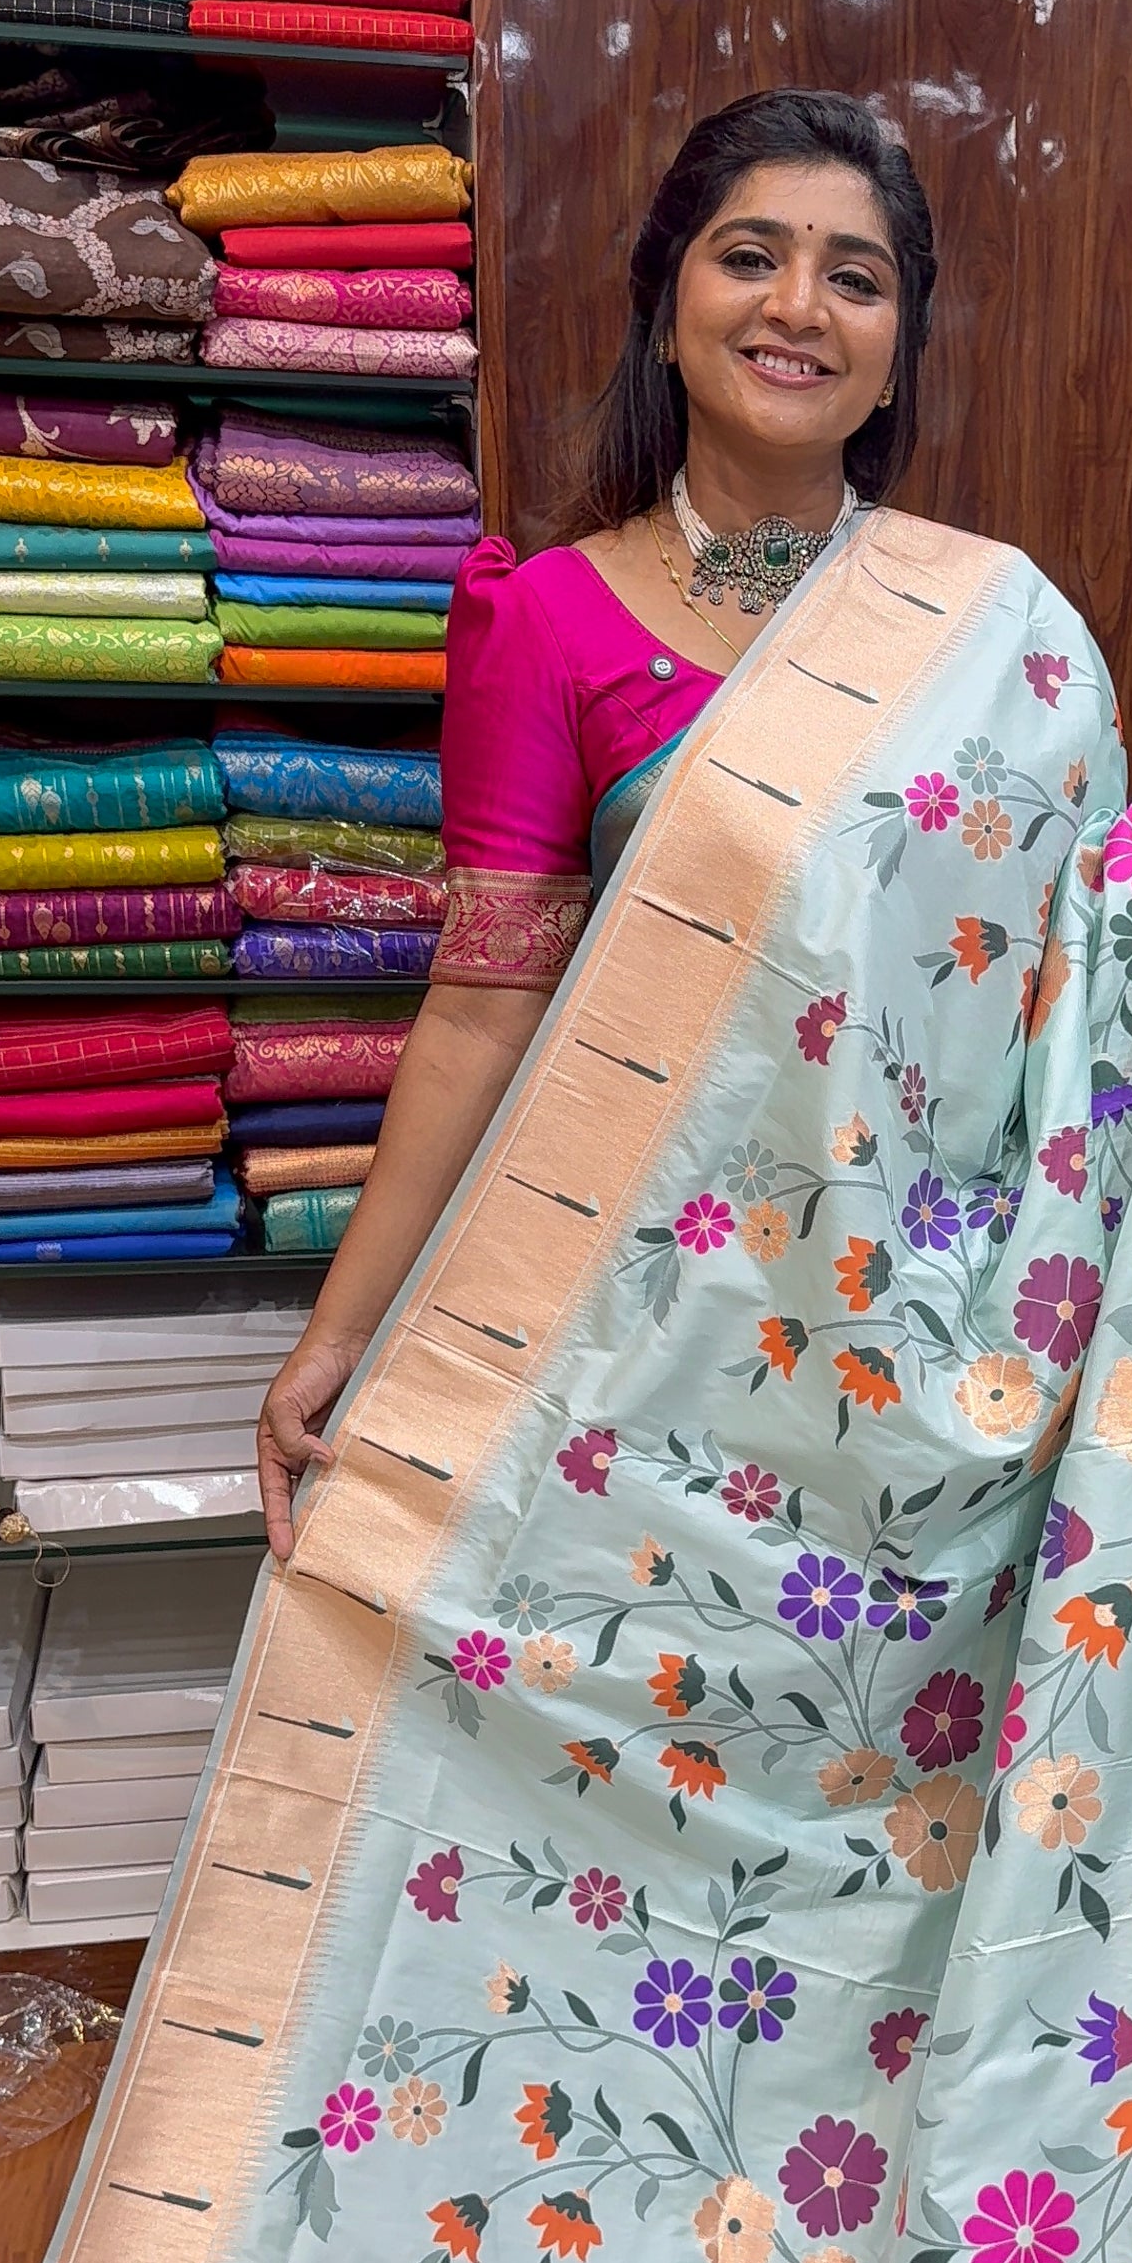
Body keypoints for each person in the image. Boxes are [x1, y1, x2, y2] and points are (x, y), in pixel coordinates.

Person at [255, 88, 938, 1556]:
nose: (799, 307)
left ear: (895, 358)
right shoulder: (552, 621)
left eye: (856, 278)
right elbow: (483, 1007)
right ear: (666, 314)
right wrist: (340, 1334)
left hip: (919, 1312)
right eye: (749, 257)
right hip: (647, 1305)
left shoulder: (985, 636)